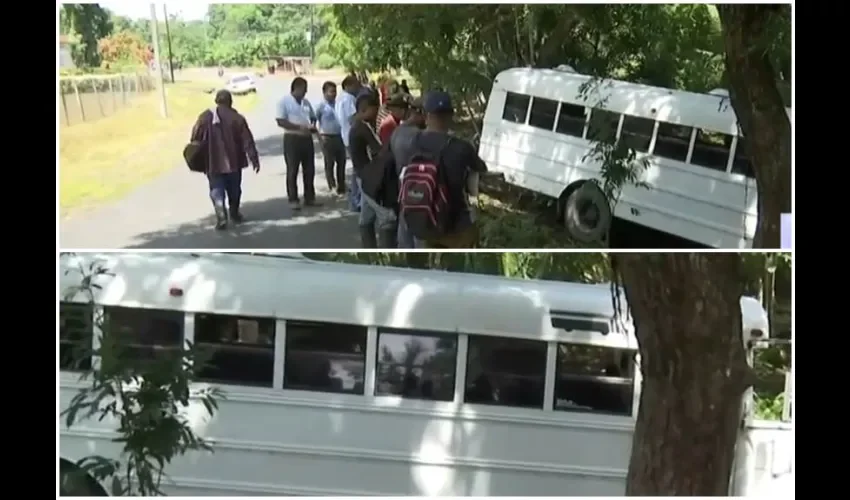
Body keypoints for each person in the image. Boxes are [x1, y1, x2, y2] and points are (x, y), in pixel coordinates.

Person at [383, 90, 487, 248]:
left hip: (423, 220)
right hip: (456, 225)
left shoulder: (412, 142)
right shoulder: (461, 148)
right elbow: (481, 170)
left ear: (426, 115)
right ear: (451, 115)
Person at [189, 89, 260, 230]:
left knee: (216, 190)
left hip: (212, 162)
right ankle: (234, 213)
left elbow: (194, 138)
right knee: (235, 190)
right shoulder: (237, 118)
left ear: (216, 101)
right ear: (230, 102)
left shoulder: (205, 117)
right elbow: (247, 141)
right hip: (234, 163)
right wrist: (254, 159)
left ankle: (221, 215)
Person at [349, 92, 396, 248]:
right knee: (388, 218)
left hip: (362, 174)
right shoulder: (362, 128)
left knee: (366, 218)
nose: (376, 115)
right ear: (364, 110)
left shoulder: (357, 125)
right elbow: (378, 150)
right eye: (374, 111)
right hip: (367, 176)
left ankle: (368, 247)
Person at [276, 77, 320, 211]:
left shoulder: (305, 102)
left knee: (309, 169)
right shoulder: (284, 101)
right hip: (292, 138)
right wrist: (298, 127)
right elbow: (280, 121)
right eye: (303, 89)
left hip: (306, 138)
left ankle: (309, 197)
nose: (305, 92)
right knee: (293, 170)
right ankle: (293, 199)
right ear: (296, 88)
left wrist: (312, 125)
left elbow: (313, 117)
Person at [314, 81, 346, 196]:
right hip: (326, 137)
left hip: (339, 136)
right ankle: (332, 186)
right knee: (329, 163)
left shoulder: (338, 104)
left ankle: (342, 186)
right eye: (331, 91)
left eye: (335, 91)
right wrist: (319, 137)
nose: (333, 94)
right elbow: (314, 122)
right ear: (324, 92)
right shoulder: (320, 106)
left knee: (341, 162)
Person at [335, 75, 361, 212]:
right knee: (358, 168)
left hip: (345, 135)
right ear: (348, 85)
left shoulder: (339, 98)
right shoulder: (349, 98)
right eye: (355, 85)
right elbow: (353, 117)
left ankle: (355, 198)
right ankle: (355, 200)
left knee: (356, 167)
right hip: (352, 135)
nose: (357, 87)